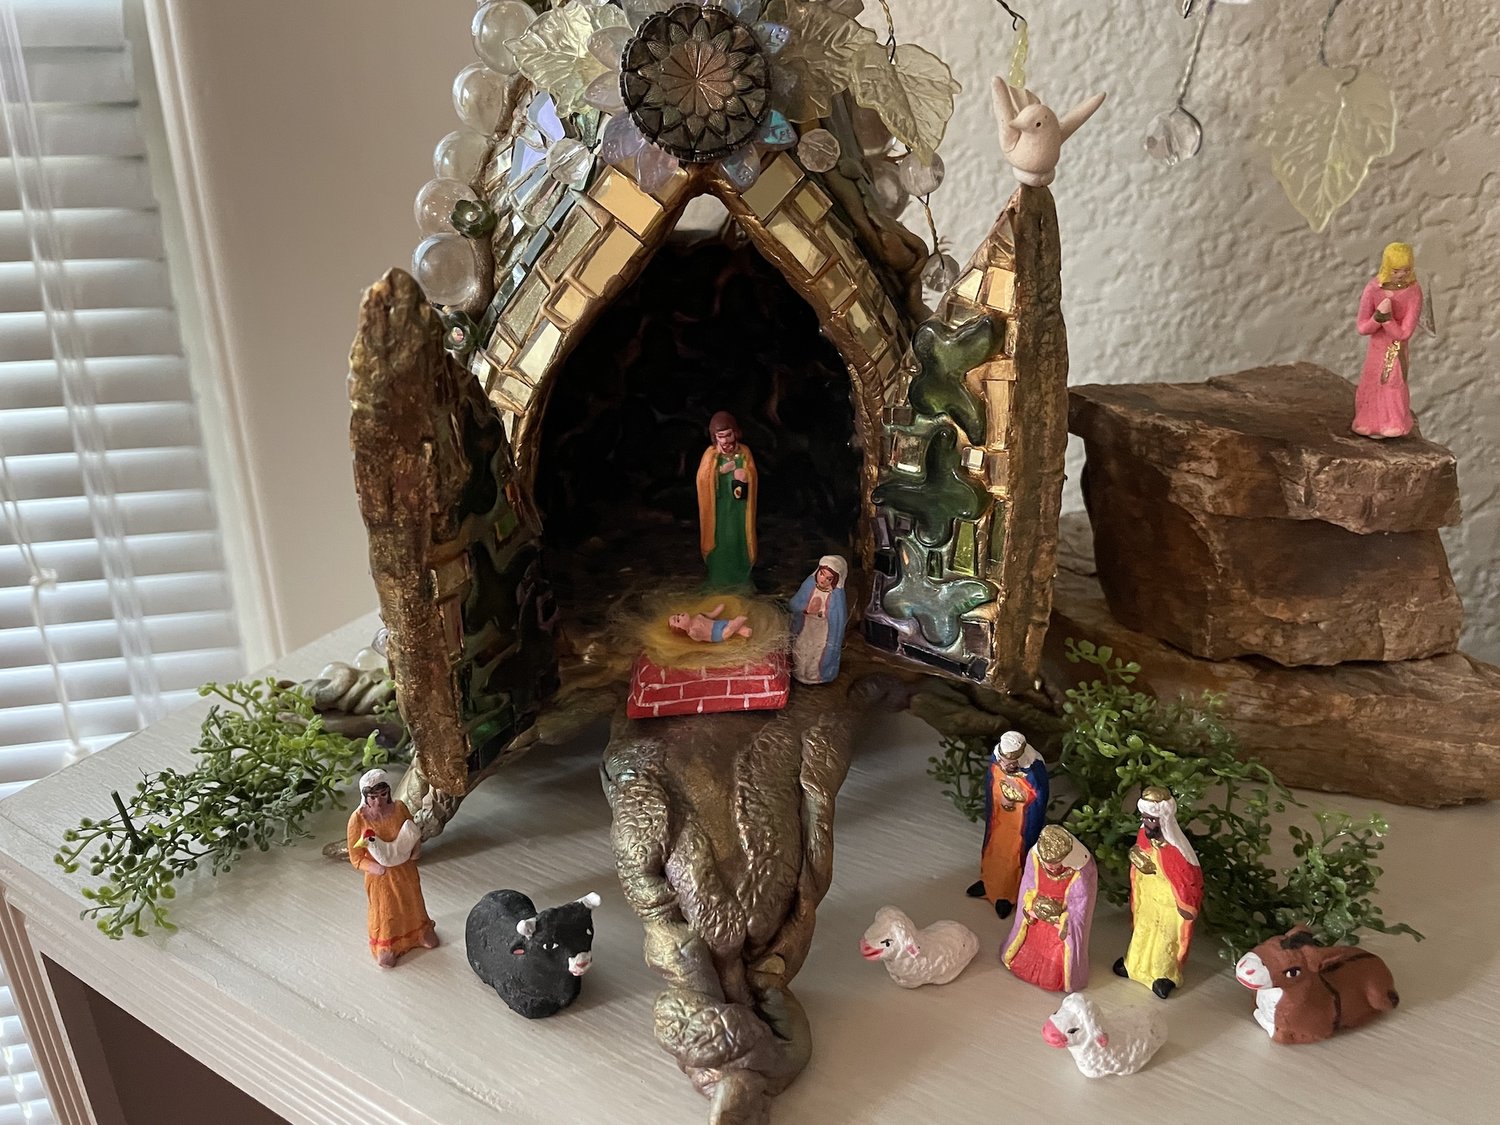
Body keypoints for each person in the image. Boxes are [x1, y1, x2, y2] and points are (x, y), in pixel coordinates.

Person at [1113, 786, 1203, 999]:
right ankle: (1133, 965)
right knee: (1142, 933)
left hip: (1169, 905)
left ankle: (1163, 975)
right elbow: (1140, 856)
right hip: (1148, 899)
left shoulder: (1177, 849)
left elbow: (1187, 878)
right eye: (1145, 818)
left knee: (1164, 941)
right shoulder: (1143, 836)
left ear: (1163, 820)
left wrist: (1185, 904)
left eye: (1151, 819)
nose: (1147, 823)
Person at [347, 768, 437, 967]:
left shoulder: (399, 808)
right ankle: (386, 946)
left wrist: (416, 849)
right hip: (381, 877)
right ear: (365, 797)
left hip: (405, 869)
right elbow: (356, 858)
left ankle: (420, 932)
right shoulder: (358, 819)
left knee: (412, 902)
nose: (378, 802)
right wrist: (375, 868)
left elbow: (412, 830)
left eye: (382, 795)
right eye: (373, 797)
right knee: (387, 910)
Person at [1002, 825, 1096, 992]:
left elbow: (1080, 905)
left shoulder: (1080, 871)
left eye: (1055, 864)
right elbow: (1029, 883)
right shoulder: (1035, 858)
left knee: (1054, 958)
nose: (1051, 868)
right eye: (1047, 864)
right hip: (1036, 919)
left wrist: (1063, 920)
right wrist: (1030, 906)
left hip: (1058, 924)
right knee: (1030, 944)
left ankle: (1054, 976)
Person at [967, 731, 1048, 918]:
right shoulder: (997, 759)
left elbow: (1038, 797)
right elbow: (993, 781)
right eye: (1003, 762)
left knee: (1013, 855)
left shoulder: (1034, 769)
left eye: (1010, 764)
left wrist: (1017, 798)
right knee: (994, 847)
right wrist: (1000, 796)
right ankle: (988, 882)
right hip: (999, 818)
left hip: (1020, 823)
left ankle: (1007, 893)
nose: (1004, 766)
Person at [1352, 242, 1423, 438]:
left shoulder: (1413, 291)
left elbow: (1404, 333)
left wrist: (1388, 320)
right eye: (1396, 270)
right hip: (1377, 348)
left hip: (1396, 348)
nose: (1401, 275)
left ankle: (1394, 421)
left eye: (1406, 270)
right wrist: (1377, 318)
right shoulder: (1374, 288)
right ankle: (1367, 420)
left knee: (1393, 381)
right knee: (1372, 379)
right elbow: (1362, 328)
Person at [695, 411, 757, 589]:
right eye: (720, 437)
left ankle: (741, 577)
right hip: (719, 511)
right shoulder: (711, 455)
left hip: (739, 510)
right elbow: (702, 479)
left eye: (728, 435)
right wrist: (721, 472)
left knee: (738, 540)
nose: (725, 441)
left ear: (735, 433)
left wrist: (746, 476)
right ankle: (719, 578)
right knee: (722, 541)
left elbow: (752, 474)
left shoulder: (744, 452)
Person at [788, 555, 848, 684]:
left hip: (823, 630)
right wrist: (806, 609)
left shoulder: (836, 595)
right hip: (806, 625)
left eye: (829, 578)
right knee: (801, 648)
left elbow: (837, 619)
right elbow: (794, 604)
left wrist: (823, 612)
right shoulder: (809, 585)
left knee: (817, 653)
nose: (823, 580)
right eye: (822, 574)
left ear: (835, 580)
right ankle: (800, 673)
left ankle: (815, 676)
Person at [668, 603, 753, 643]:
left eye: (678, 615)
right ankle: (738, 622)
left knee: (729, 624)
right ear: (682, 630)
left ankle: (743, 631)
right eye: (678, 620)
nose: (680, 616)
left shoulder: (699, 615)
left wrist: (719, 609)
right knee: (729, 629)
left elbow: (712, 614)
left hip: (717, 624)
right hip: (715, 635)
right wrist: (694, 633)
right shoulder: (692, 632)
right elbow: (699, 638)